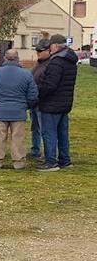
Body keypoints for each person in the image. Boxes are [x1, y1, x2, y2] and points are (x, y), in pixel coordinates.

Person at [0, 49, 38, 170]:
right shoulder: (26, 74)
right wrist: (25, 106)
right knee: (18, 138)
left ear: (5, 58)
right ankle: (18, 162)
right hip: (19, 111)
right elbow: (33, 95)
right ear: (17, 59)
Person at [36, 34, 78, 172]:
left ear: (54, 46)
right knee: (62, 133)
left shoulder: (56, 62)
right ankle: (65, 160)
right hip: (65, 103)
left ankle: (51, 162)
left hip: (51, 104)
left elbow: (50, 85)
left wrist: (38, 93)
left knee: (49, 134)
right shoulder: (70, 61)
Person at [29, 39, 51, 161]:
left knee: (44, 129)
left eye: (40, 51)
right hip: (34, 101)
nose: (37, 53)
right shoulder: (38, 63)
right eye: (36, 50)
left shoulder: (50, 64)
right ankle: (35, 149)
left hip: (43, 101)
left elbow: (47, 84)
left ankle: (47, 153)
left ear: (48, 51)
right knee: (35, 127)